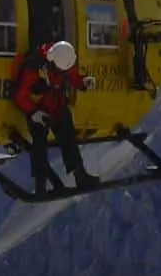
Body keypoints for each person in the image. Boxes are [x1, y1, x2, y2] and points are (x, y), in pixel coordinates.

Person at [12, 39, 100, 193]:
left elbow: (73, 76)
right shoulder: (34, 67)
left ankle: (80, 175)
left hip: (57, 107)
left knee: (68, 137)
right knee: (39, 145)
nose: (63, 73)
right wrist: (34, 112)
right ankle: (40, 185)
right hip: (39, 111)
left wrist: (83, 83)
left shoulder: (64, 60)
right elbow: (20, 95)